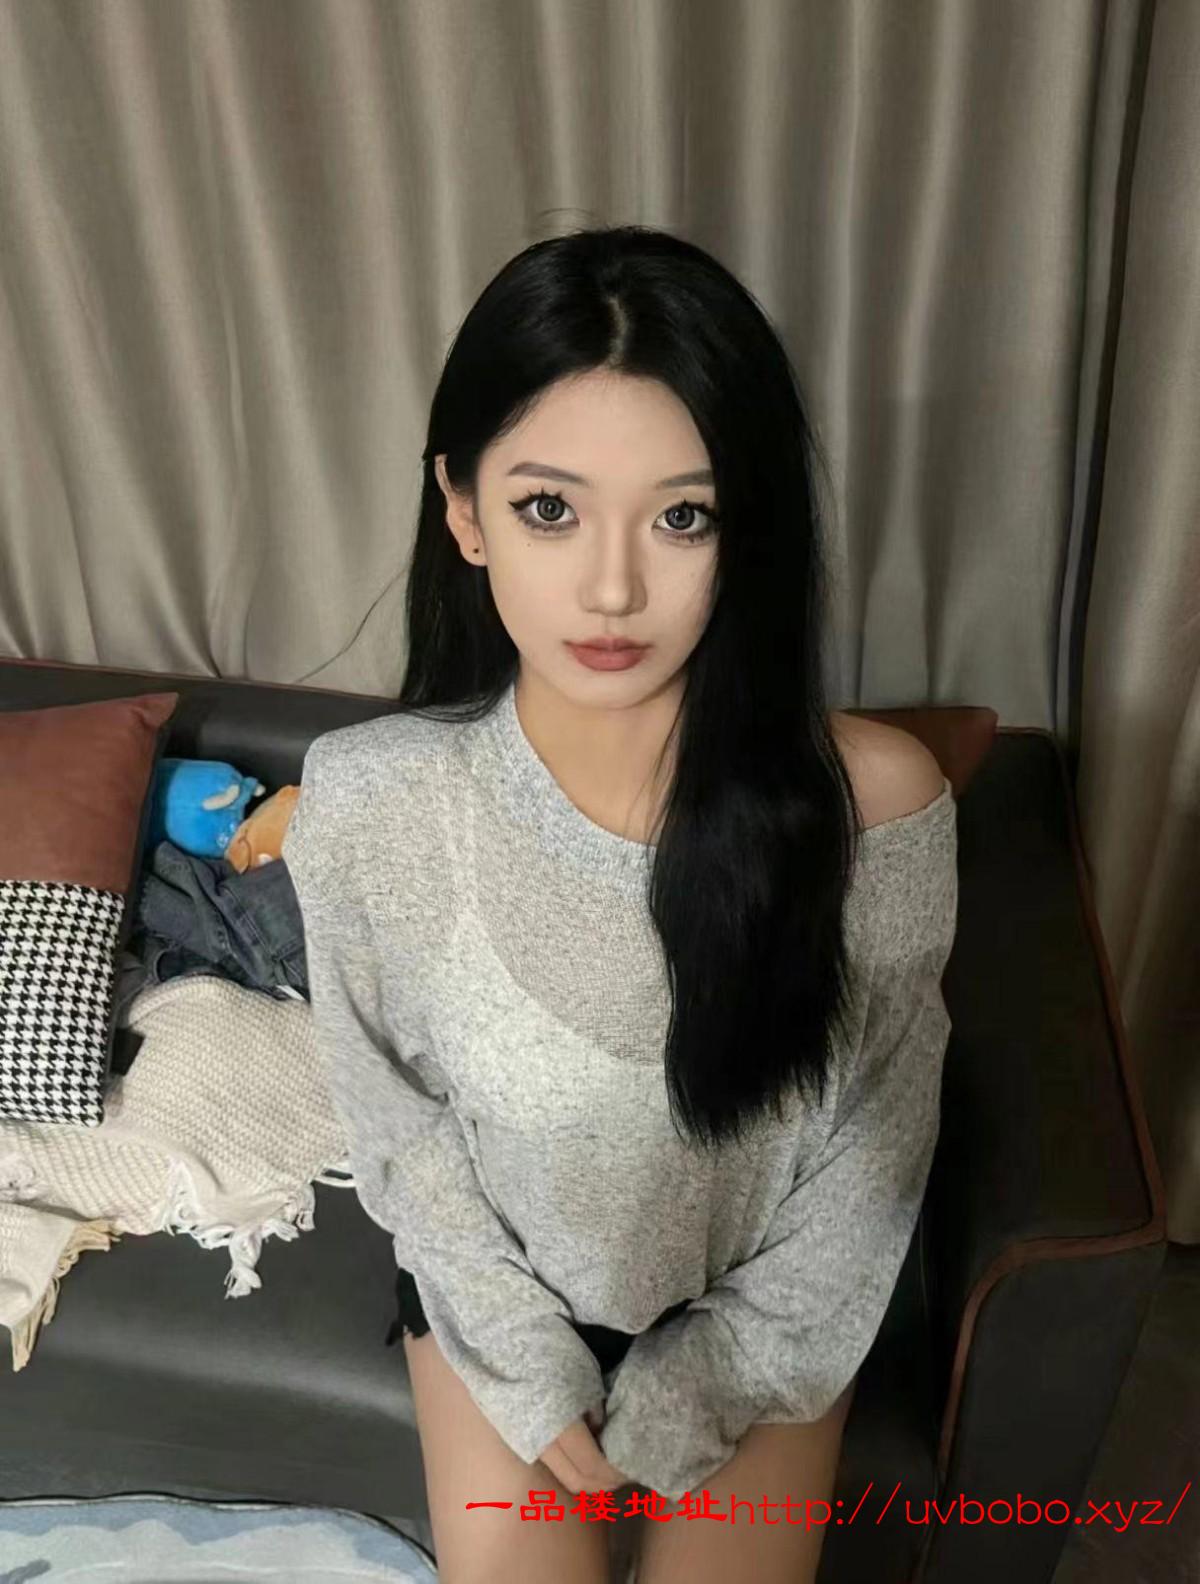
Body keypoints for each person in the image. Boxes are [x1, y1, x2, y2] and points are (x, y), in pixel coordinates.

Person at [282, 224, 959, 1584]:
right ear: (464, 511)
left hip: (764, 1322)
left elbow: (873, 1153)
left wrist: (708, 1383)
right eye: (550, 508)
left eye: (681, 516)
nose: (612, 589)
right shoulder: (367, 799)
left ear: (744, 528)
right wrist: (526, 1367)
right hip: (501, 1303)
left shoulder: (876, 808)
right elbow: (400, 1127)